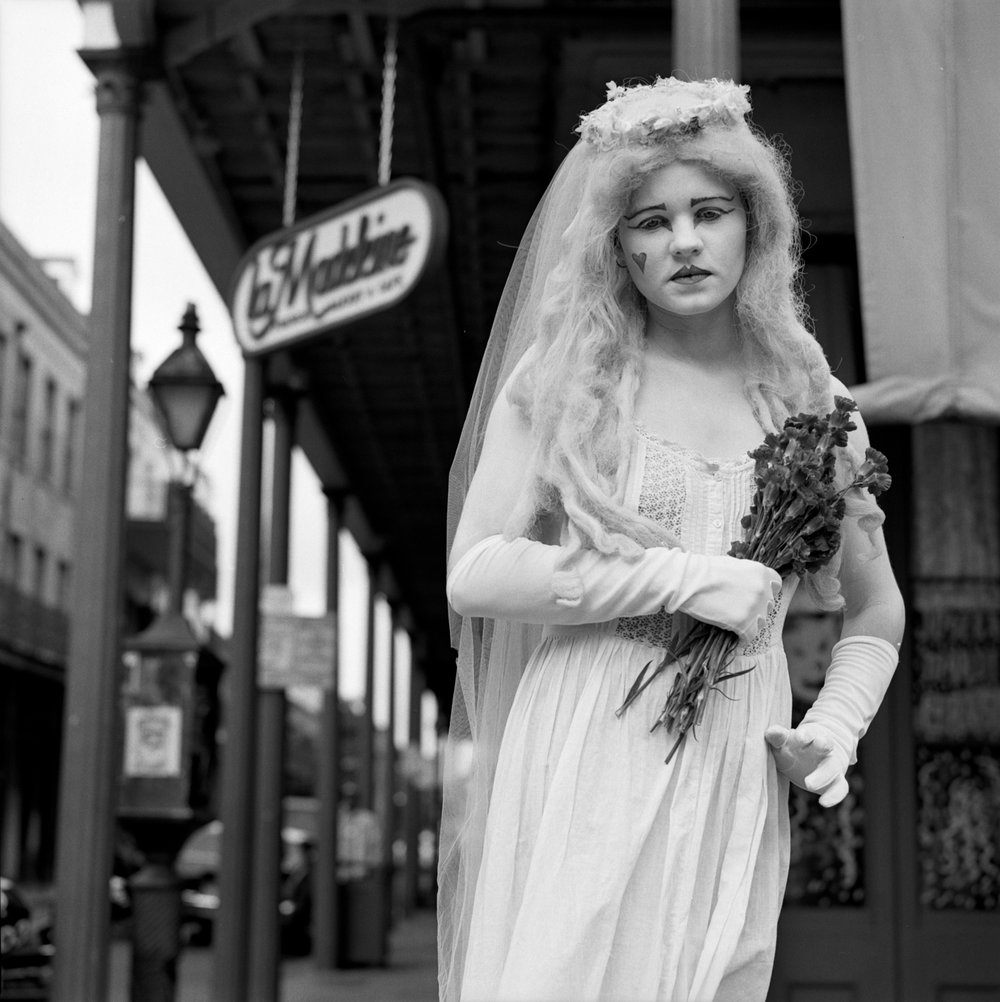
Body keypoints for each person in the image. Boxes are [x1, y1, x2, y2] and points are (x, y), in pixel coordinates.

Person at [438, 77, 905, 1002]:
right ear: (616, 244)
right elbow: (476, 572)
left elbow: (877, 604)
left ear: (755, 223)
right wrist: (678, 579)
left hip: (736, 746)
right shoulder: (572, 377)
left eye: (709, 211)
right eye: (649, 222)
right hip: (590, 735)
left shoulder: (813, 401)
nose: (683, 241)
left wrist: (836, 728)